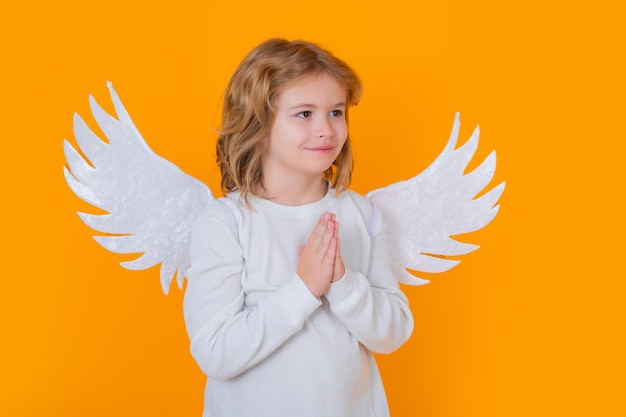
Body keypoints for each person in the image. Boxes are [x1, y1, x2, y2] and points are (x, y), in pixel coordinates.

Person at [183, 38, 414, 417]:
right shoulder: (227, 224)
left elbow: (392, 334)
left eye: (336, 112)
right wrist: (303, 289)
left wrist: (342, 283)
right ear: (259, 122)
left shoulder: (362, 215)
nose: (326, 129)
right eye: (304, 114)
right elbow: (216, 352)